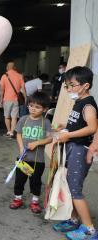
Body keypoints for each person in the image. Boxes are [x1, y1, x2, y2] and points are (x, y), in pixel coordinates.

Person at [52, 66, 98, 240]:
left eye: (72, 85)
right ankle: (74, 219)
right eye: (67, 86)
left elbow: (93, 127)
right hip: (73, 147)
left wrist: (69, 134)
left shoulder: (88, 105)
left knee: (75, 189)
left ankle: (89, 230)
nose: (69, 89)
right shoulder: (79, 102)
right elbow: (80, 124)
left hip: (80, 150)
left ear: (85, 85)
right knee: (70, 186)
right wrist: (67, 126)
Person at [9, 92, 52, 213]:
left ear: (44, 109)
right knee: (20, 180)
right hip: (23, 158)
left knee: (35, 181)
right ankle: (18, 198)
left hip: (38, 160)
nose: (33, 109)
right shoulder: (23, 119)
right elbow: (18, 134)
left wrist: (37, 143)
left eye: (37, 107)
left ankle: (35, 201)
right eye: (31, 105)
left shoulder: (46, 122)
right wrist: (21, 147)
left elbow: (50, 138)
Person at [0, 61, 27, 138]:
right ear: (15, 67)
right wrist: (25, 98)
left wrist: (1, 100)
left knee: (7, 116)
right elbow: (23, 89)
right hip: (16, 100)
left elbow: (2, 90)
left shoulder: (4, 76)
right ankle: (12, 132)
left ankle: (8, 131)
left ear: (7, 68)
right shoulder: (19, 76)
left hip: (7, 99)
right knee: (14, 117)